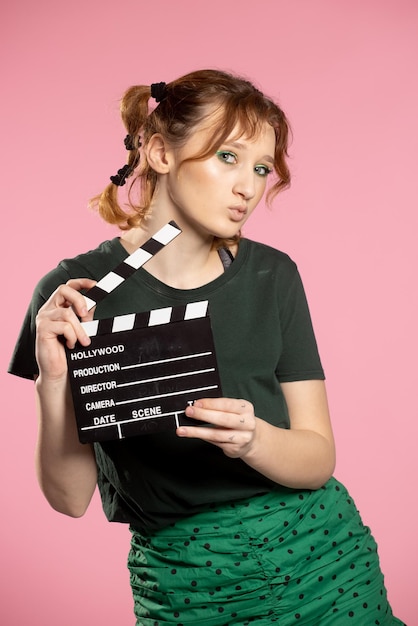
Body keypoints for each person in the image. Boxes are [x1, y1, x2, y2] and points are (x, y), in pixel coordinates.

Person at [9, 69, 405, 625]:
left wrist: (254, 439)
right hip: (187, 582)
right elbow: (70, 498)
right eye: (227, 157)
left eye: (261, 168)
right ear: (159, 153)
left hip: (321, 557)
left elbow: (317, 458)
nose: (249, 186)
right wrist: (54, 380)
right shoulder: (77, 294)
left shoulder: (273, 275)